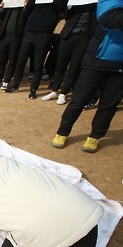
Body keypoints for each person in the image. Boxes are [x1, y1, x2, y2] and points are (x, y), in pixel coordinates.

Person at [51, 0, 123, 153]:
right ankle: (62, 132)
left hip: (120, 68)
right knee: (79, 100)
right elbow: (108, 19)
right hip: (97, 60)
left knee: (108, 105)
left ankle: (95, 136)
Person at [4, 0, 66, 99]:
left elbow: (60, 10)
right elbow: (26, 13)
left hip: (44, 33)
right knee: (21, 61)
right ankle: (15, 85)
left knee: (38, 64)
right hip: (29, 31)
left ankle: (33, 90)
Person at [41, 3, 97, 105]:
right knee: (60, 64)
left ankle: (64, 93)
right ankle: (54, 90)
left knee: (74, 66)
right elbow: (66, 16)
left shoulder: (97, 4)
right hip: (68, 34)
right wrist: (69, 6)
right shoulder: (76, 3)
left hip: (85, 36)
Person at [0, 0, 25, 90]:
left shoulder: (23, 7)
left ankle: (7, 80)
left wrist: (25, 6)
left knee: (12, 60)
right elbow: (0, 16)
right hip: (5, 34)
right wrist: (1, 9)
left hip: (16, 36)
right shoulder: (9, 5)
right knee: (1, 59)